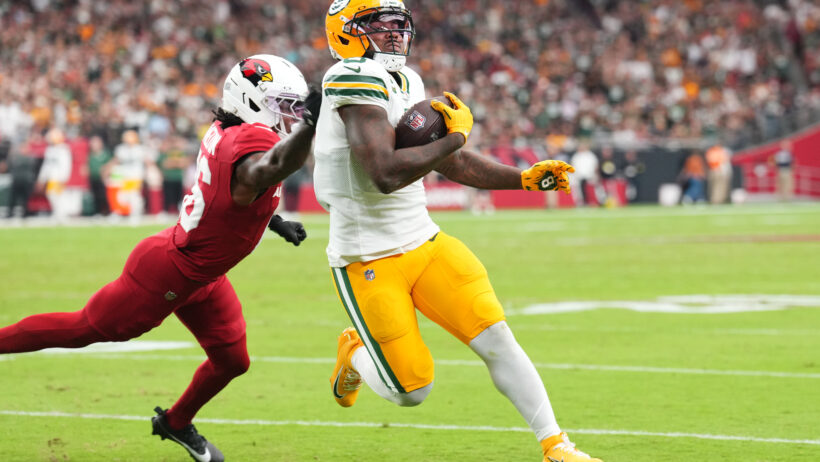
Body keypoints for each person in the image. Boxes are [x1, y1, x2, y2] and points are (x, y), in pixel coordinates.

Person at [315, 2, 600, 461]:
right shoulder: (348, 78)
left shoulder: (407, 81)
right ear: (347, 32)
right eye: (379, 24)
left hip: (425, 241)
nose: (394, 33)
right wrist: (455, 136)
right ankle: (354, 353)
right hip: (367, 257)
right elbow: (384, 173)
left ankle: (555, 445)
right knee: (411, 390)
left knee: (497, 337)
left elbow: (446, 161)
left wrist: (523, 179)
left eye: (398, 24)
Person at [0, 54, 320, 462]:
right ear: (251, 99)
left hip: (203, 276)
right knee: (82, 329)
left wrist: (271, 220)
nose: (289, 115)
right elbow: (268, 168)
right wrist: (310, 125)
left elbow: (232, 191)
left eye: (294, 107)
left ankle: (176, 421)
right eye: (282, 104)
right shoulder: (249, 141)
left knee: (233, 361)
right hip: (168, 271)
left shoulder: (231, 127)